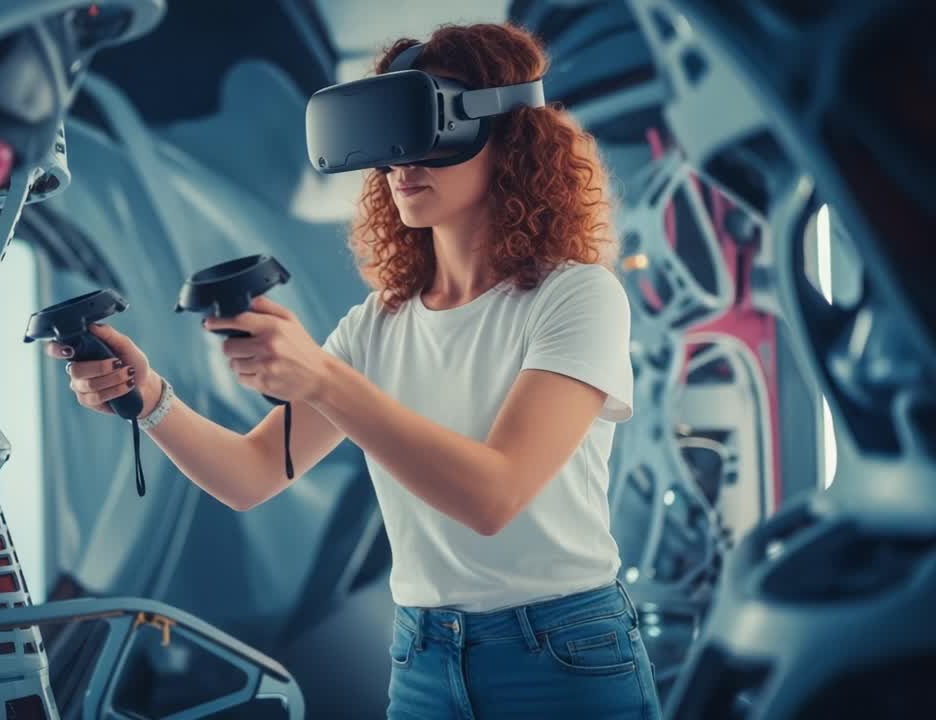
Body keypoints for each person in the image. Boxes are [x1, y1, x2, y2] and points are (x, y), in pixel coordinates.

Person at [47, 21, 660, 720]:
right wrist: (148, 397)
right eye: (388, 142)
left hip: (561, 652)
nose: (402, 163)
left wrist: (323, 379)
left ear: (510, 136)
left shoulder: (575, 295)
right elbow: (252, 476)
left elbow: (495, 496)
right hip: (423, 654)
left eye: (425, 131)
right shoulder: (379, 323)